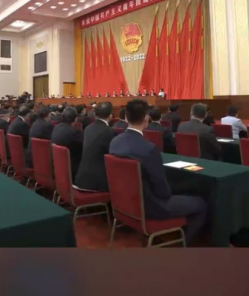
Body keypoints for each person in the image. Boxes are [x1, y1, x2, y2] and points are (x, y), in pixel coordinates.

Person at [108, 99, 208, 245]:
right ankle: (186, 245)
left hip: (124, 204)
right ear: (146, 120)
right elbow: (162, 190)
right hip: (151, 207)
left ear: (126, 118)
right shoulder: (148, 148)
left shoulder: (114, 142)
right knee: (201, 203)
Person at [74, 101, 116, 192]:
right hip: (97, 183)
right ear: (110, 116)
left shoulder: (87, 128)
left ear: (95, 115)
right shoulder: (109, 132)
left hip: (81, 179)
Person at [51, 107, 84, 178]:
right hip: (70, 169)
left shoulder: (56, 127)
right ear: (75, 119)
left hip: (55, 166)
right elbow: (82, 150)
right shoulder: (75, 132)